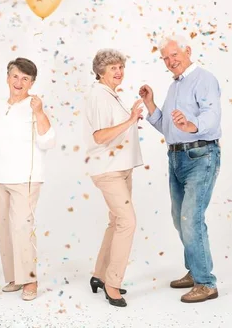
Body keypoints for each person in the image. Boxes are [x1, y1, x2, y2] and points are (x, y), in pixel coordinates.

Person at [140, 35, 221, 303]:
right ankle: (195, 270)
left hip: (200, 155)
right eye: (165, 58)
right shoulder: (174, 87)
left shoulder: (203, 78)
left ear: (187, 51)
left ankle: (206, 283)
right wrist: (151, 103)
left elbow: (211, 114)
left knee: (191, 218)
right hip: (176, 158)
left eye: (174, 55)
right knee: (180, 218)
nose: (170, 61)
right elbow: (166, 127)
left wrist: (192, 125)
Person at [0, 58, 56, 301]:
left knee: (22, 229)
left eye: (25, 78)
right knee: (5, 229)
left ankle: (30, 281)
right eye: (15, 76)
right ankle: (15, 278)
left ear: (32, 83)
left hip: (24, 178)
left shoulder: (33, 106)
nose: (19, 82)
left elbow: (48, 141)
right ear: (8, 78)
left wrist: (39, 112)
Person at [84, 49, 144, 307]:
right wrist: (130, 119)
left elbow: (115, 131)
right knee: (127, 222)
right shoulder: (99, 95)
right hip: (108, 170)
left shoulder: (111, 95)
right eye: (113, 68)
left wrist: (129, 118)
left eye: (120, 67)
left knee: (116, 222)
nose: (119, 72)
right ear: (100, 71)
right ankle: (113, 283)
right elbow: (99, 136)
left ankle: (99, 275)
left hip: (122, 168)